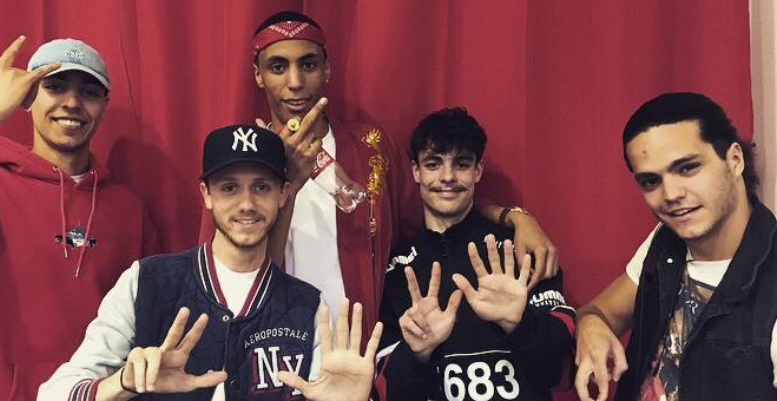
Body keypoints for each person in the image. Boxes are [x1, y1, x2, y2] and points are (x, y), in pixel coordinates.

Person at [217, 10, 560, 334]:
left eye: (308, 64)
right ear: (258, 75)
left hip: (362, 350)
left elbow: (434, 207)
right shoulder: (242, 163)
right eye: (278, 67)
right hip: (275, 349)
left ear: (327, 69)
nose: (295, 82)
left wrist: (514, 217)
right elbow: (232, 268)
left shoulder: (371, 146)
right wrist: (287, 180)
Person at [39, 122, 383, 401]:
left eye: (261, 187)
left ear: (283, 193)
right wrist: (122, 384)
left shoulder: (307, 305)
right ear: (206, 194)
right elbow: (53, 394)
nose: (246, 204)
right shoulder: (147, 281)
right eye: (229, 188)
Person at [0, 36, 157, 400]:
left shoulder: (128, 209)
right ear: (27, 96)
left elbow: (143, 326)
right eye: (55, 87)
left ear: (104, 106)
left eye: (89, 92)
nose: (72, 102)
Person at [574, 92, 777, 401]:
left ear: (734, 160)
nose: (670, 195)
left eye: (687, 168)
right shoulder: (667, 240)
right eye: (651, 181)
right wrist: (591, 326)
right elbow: (600, 311)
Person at [375, 108, 575, 400]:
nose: (447, 177)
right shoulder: (396, 269)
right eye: (433, 164)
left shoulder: (521, 249)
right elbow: (387, 393)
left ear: (478, 170)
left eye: (461, 164)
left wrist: (520, 325)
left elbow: (563, 371)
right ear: (416, 171)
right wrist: (416, 354)